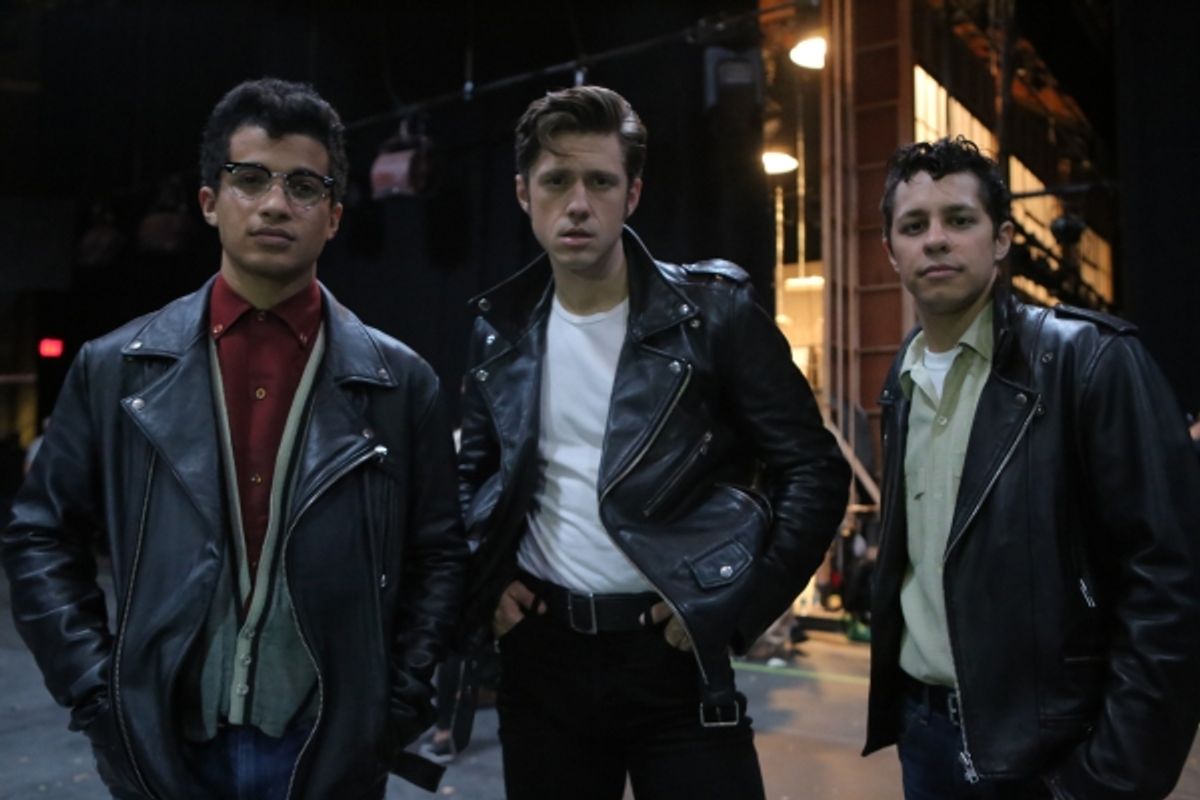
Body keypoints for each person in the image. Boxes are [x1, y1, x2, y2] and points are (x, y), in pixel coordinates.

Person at [1, 78, 467, 800]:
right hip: (164, 743)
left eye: (303, 186)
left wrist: (394, 703)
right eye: (250, 179)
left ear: (334, 217)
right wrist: (97, 693)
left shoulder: (401, 384)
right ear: (209, 202)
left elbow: (438, 555)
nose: (275, 203)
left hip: (328, 744)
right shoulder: (115, 368)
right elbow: (39, 537)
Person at [456, 84, 849, 800]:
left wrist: (738, 608)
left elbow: (814, 471)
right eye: (556, 181)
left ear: (632, 194)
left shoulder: (714, 314)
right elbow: (471, 476)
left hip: (675, 657)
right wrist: (485, 585)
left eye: (601, 182)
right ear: (523, 193)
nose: (578, 203)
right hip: (542, 661)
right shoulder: (500, 331)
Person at [862, 136, 1200, 799]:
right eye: (914, 225)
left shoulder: (1089, 362)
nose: (936, 239)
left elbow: (1169, 583)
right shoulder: (901, 383)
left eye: (959, 219)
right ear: (891, 252)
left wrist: (1110, 776)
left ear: (1001, 240)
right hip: (925, 736)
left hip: (1051, 748)